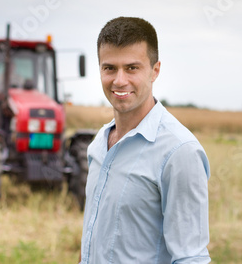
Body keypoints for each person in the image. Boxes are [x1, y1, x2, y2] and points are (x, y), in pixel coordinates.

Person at [79, 17, 211, 264]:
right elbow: (92, 233)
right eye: (109, 68)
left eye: (132, 68)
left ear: (155, 70)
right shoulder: (98, 144)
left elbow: (191, 258)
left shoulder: (179, 152)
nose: (119, 80)